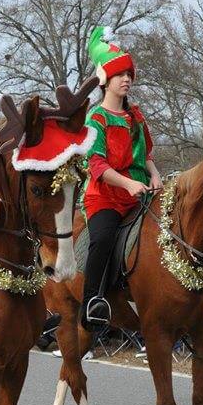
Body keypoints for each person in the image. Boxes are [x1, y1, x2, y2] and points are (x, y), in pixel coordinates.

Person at [80, 29, 163, 329]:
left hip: (142, 194)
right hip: (107, 198)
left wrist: (154, 175)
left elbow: (148, 155)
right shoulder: (96, 118)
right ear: (106, 80)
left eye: (129, 74)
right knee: (102, 239)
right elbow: (97, 165)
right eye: (120, 75)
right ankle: (92, 302)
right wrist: (127, 183)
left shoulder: (136, 116)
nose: (126, 79)